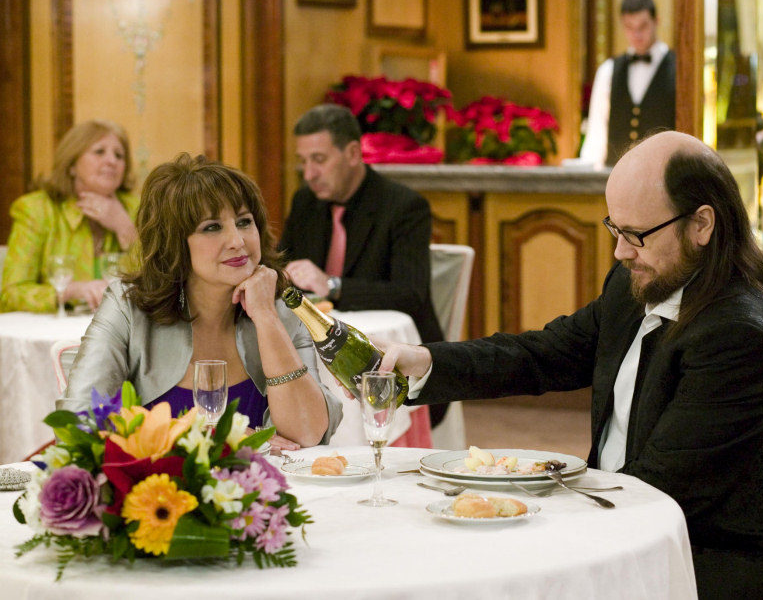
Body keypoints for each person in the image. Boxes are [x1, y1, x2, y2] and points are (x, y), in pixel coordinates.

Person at [381, 132, 763, 598]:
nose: (620, 251)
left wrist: (516, 509)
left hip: (715, 567)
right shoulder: (639, 280)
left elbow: (657, 489)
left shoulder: (739, 336)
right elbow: (547, 353)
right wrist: (427, 361)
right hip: (630, 532)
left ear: (702, 224)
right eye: (616, 229)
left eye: (636, 235)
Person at [60, 154, 342, 449]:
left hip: (264, 490)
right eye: (212, 227)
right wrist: (210, 438)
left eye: (244, 222)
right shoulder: (128, 306)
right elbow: (77, 422)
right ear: (175, 241)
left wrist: (266, 318)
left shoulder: (280, 307)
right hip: (161, 490)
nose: (237, 240)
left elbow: (308, 434)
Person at [278, 103, 443, 439]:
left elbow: (410, 293)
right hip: (314, 341)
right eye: (303, 160)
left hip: (394, 360)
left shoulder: (404, 206)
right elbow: (283, 266)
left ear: (353, 153)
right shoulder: (305, 202)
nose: (308, 173)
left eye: (319, 160)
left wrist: (332, 285)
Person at [1, 119, 139, 312]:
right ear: (72, 165)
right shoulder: (37, 210)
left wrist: (124, 228)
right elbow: (10, 294)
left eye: (119, 155)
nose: (111, 161)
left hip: (120, 333)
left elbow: (164, 286)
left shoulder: (136, 208)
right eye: (99, 151)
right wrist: (69, 291)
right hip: (54, 335)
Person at [579, 0, 676, 169]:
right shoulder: (608, 70)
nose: (636, 35)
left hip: (662, 175)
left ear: (657, 21)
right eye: (629, 27)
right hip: (616, 173)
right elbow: (597, 129)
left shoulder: (678, 69)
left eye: (643, 26)